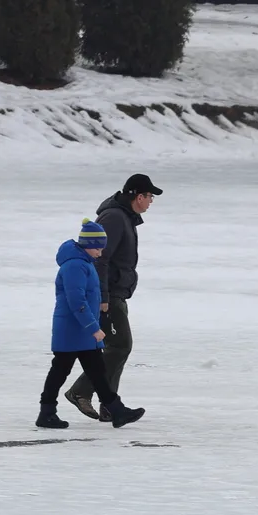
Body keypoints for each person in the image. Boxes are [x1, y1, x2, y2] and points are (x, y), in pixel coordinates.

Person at [64, 173, 163, 421]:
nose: (151, 201)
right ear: (138, 196)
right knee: (120, 346)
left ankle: (110, 406)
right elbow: (100, 258)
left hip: (117, 293)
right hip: (108, 295)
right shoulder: (115, 218)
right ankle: (80, 391)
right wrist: (103, 297)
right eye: (150, 196)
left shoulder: (124, 217)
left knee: (117, 347)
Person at [39, 221, 144, 430]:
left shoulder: (84, 262)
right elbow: (76, 301)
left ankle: (116, 410)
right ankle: (46, 412)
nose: (101, 252)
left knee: (97, 371)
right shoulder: (74, 265)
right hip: (71, 330)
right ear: (88, 245)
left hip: (81, 330)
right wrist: (93, 327)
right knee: (60, 371)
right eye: (98, 247)